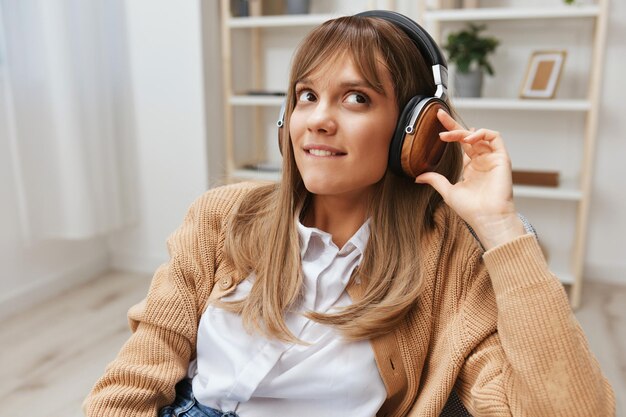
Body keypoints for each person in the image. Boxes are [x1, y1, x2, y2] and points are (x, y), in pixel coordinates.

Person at [84, 10, 614, 417]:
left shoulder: (451, 258)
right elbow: (140, 369)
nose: (317, 120)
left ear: (417, 128)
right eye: (306, 96)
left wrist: (499, 229)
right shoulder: (223, 216)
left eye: (356, 99)